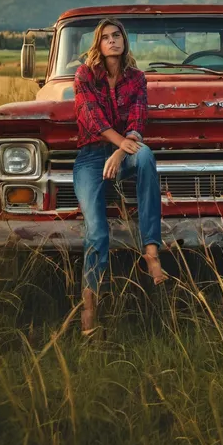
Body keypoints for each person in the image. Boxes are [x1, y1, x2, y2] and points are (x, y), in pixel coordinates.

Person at [73, 18, 167, 336]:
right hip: (89, 159)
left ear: (124, 41)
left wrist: (120, 151)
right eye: (106, 37)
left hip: (124, 152)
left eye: (118, 36)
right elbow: (90, 116)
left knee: (145, 155)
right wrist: (117, 145)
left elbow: (139, 115)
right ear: (98, 45)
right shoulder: (84, 75)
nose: (113, 41)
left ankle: (151, 252)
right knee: (97, 232)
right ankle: (89, 308)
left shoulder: (137, 78)